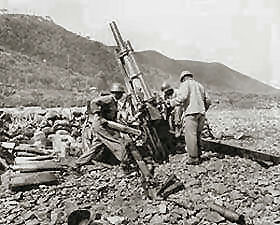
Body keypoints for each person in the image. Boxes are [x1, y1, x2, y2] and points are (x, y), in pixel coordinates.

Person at [74, 82, 128, 169]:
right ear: (116, 93)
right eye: (120, 94)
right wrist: (97, 115)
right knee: (116, 142)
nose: (121, 96)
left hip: (103, 125)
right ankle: (125, 162)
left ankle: (78, 163)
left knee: (96, 146)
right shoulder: (109, 99)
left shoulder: (114, 102)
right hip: (101, 125)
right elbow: (94, 102)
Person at [168, 71, 211, 165]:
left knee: (190, 135)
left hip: (191, 113)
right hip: (201, 113)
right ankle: (199, 154)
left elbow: (182, 97)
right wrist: (203, 109)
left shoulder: (185, 84)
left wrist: (171, 103)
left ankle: (193, 158)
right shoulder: (200, 85)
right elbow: (208, 100)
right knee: (198, 134)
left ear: (183, 79)